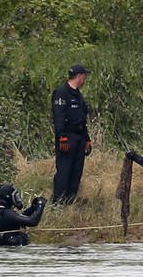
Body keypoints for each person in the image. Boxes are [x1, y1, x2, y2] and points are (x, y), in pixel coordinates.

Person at [51, 63, 92, 205]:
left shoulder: (78, 94)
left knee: (76, 170)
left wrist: (87, 139)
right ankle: (58, 201)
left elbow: (82, 117)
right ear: (80, 77)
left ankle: (70, 199)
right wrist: (61, 136)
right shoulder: (62, 92)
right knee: (64, 169)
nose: (85, 79)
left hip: (79, 136)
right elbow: (58, 116)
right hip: (67, 136)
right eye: (84, 76)